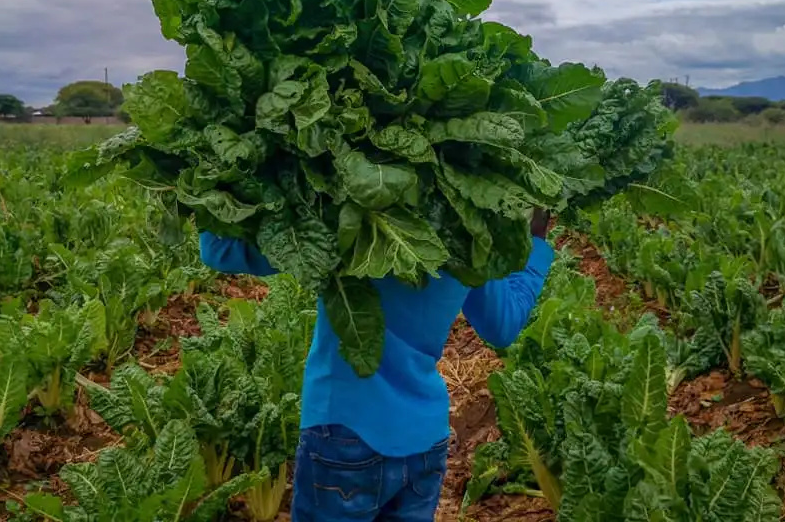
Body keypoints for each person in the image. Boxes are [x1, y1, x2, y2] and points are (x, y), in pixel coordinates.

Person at [199, 208, 554, 522]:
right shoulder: (468, 231)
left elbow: (218, 247)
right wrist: (536, 245)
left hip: (343, 430)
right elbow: (503, 324)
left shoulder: (346, 210)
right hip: (424, 442)